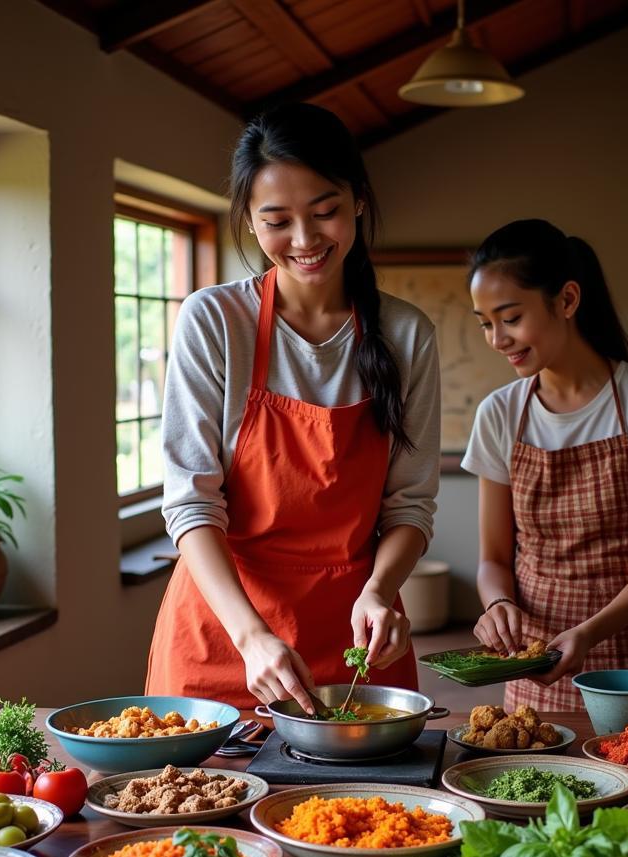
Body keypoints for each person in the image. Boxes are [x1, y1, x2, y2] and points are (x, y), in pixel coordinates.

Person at [145, 103, 440, 715]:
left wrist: (381, 591)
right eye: (277, 220)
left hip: (354, 642)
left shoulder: (406, 334)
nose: (304, 241)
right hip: (223, 635)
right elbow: (192, 501)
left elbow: (410, 504)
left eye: (325, 212)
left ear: (358, 200)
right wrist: (252, 636)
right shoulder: (215, 321)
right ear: (250, 223)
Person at [461, 219, 628, 712]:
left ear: (567, 300)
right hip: (534, 666)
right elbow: (493, 558)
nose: (496, 338)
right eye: (485, 322)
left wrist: (588, 634)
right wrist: (497, 604)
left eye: (509, 317)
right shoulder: (500, 413)